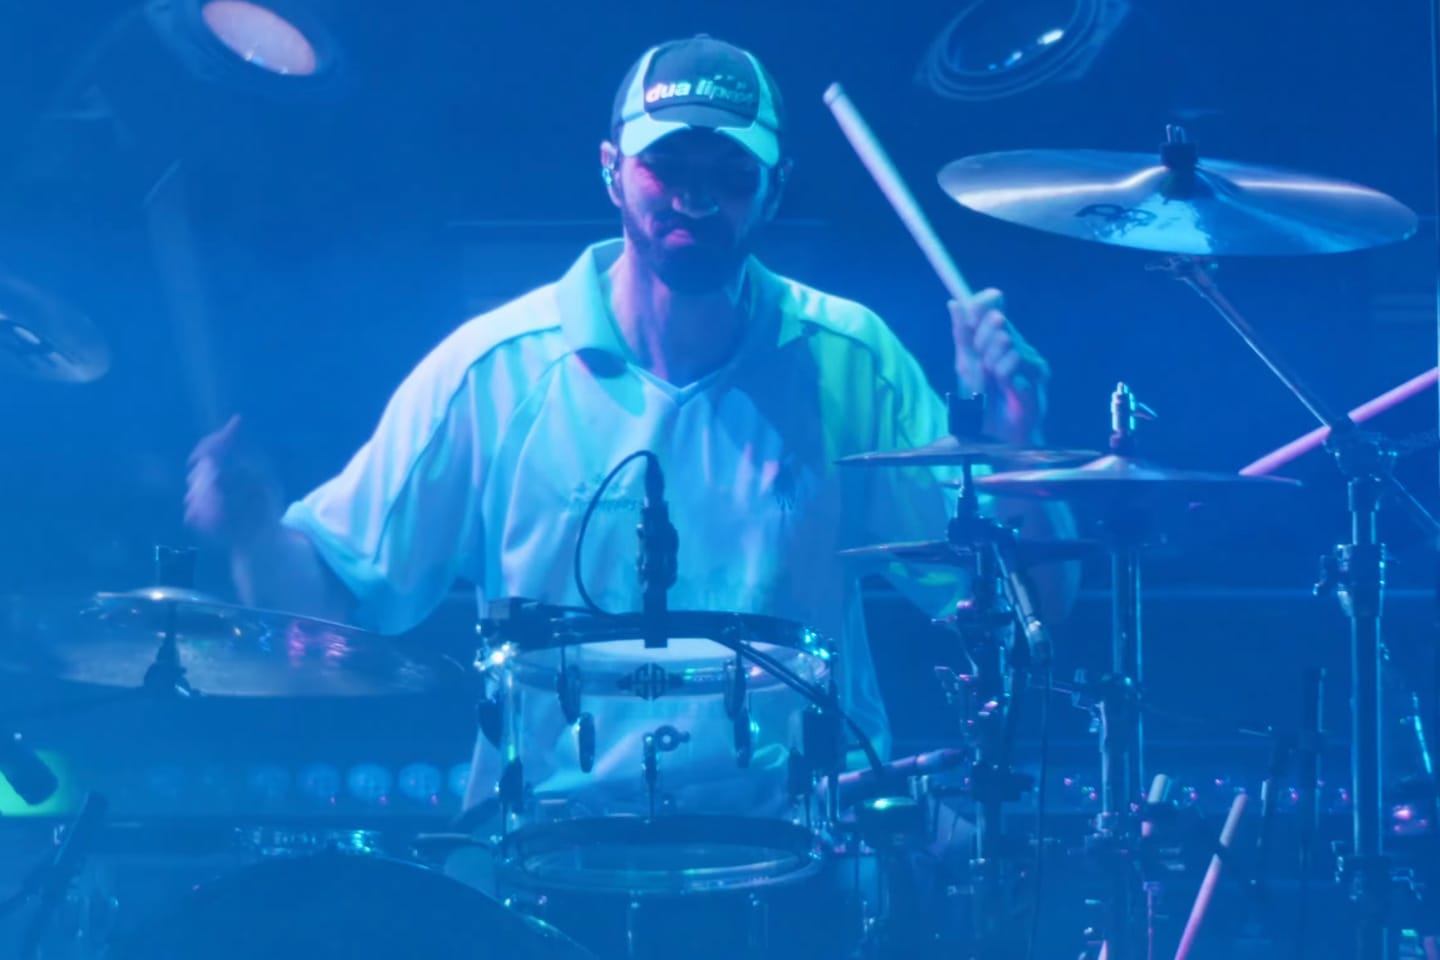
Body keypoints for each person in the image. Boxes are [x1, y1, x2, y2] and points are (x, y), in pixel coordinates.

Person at [183, 34, 1078, 825]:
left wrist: (1018, 446)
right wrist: (253, 532)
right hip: (552, 853)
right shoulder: (493, 370)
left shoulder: (849, 360)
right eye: (667, 167)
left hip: (799, 850)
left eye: (729, 175)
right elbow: (326, 605)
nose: (695, 198)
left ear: (774, 190)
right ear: (611, 169)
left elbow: (1023, 611)